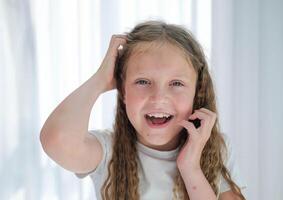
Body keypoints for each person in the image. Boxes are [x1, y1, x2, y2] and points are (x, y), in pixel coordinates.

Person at [40, 20, 246, 200]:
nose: (158, 98)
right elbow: (56, 140)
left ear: (197, 91)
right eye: (143, 81)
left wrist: (191, 167)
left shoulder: (215, 148)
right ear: (122, 89)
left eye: (176, 83)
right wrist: (100, 80)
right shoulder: (107, 152)